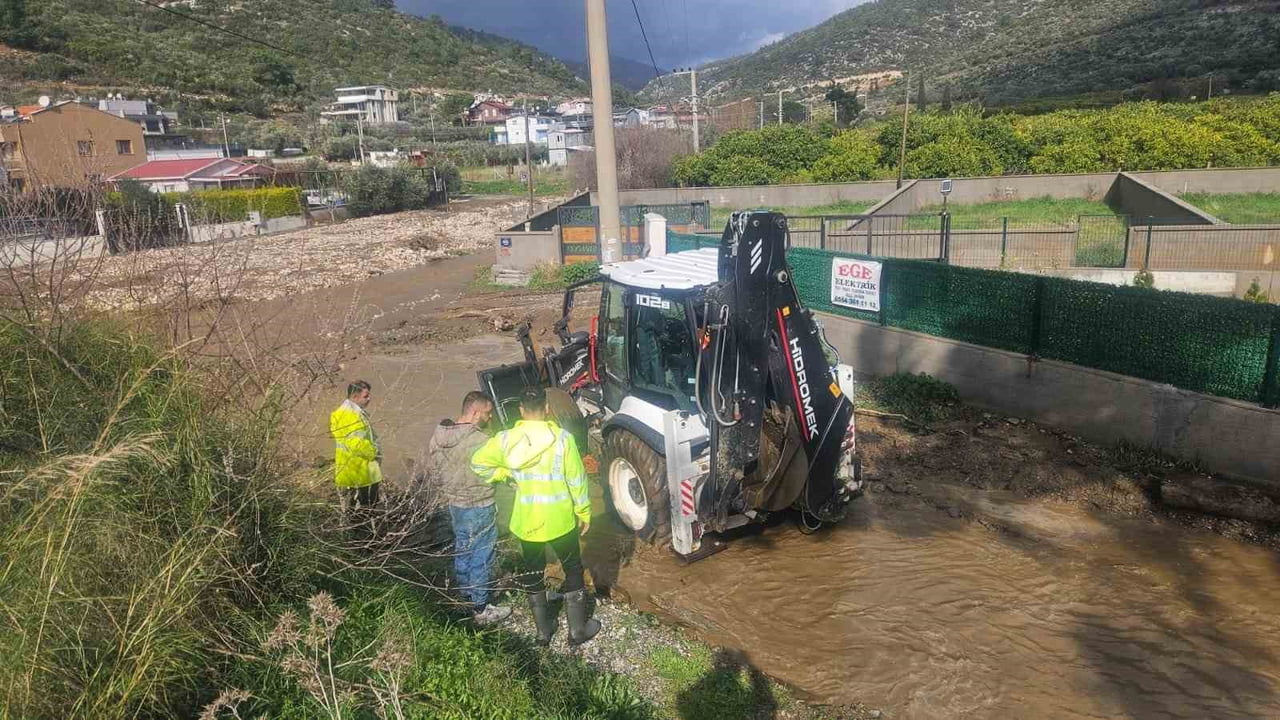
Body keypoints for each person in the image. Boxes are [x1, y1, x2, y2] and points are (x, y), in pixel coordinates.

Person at [470, 386, 599, 646]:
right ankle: (577, 631)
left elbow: (478, 463)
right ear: (547, 409)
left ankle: (543, 632)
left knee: (532, 570)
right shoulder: (563, 439)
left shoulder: (506, 440)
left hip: (527, 520)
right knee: (572, 568)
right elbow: (577, 479)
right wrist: (583, 511)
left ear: (521, 410)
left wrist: (503, 475)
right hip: (560, 518)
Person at [427, 391, 512, 626]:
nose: (490, 418)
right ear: (475, 413)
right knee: (482, 555)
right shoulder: (480, 441)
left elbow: (434, 474)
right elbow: (499, 470)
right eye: (487, 413)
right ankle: (481, 608)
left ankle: (464, 596)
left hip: (455, 504)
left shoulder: (438, 436)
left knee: (463, 548)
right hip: (480, 504)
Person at [330, 380, 382, 514]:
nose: (369, 399)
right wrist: (375, 453)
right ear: (354, 397)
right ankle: (360, 534)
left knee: (353, 511)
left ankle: (355, 532)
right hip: (357, 472)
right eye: (366, 396)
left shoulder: (346, 412)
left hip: (352, 470)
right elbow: (355, 444)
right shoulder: (351, 416)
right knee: (360, 511)